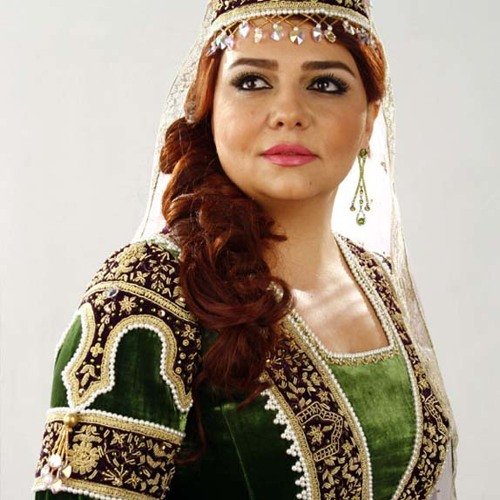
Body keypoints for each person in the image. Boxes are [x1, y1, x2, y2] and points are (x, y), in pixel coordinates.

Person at [32, 0, 459, 498]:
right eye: (253, 81)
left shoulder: (379, 282)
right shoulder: (150, 295)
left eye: (325, 85)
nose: (289, 114)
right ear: (208, 106)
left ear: (369, 120)